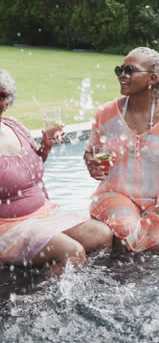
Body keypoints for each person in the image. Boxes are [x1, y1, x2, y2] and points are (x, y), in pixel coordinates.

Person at [84, 47, 159, 253]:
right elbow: (91, 152)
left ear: (152, 78)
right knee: (127, 234)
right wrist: (92, 164)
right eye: (120, 69)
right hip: (116, 194)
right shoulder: (106, 113)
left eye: (130, 70)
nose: (122, 75)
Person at [0, 70, 112, 273]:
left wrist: (46, 144)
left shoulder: (14, 126)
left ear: (8, 99)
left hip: (42, 213)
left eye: (1, 95)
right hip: (8, 225)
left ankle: (74, 285)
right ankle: (38, 300)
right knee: (72, 252)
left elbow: (31, 170)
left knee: (102, 234)